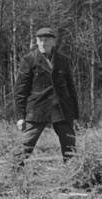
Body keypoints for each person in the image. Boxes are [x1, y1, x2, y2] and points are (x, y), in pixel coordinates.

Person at [14, 27, 80, 162]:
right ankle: (14, 174)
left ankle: (72, 175)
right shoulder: (29, 60)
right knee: (26, 144)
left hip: (62, 109)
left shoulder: (63, 60)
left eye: (47, 40)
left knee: (69, 145)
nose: (43, 43)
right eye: (40, 40)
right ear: (37, 42)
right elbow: (20, 90)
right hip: (37, 108)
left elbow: (71, 88)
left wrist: (75, 114)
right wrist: (20, 117)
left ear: (54, 42)